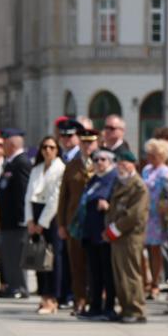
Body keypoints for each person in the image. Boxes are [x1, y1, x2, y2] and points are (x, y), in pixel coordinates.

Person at [102, 150, 150, 323]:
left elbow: (134, 215)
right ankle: (125, 308)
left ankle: (136, 309)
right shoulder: (120, 183)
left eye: (124, 163)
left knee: (130, 274)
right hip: (118, 236)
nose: (120, 166)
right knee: (120, 275)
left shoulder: (138, 186)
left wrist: (113, 230)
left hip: (130, 236)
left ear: (133, 165)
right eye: (119, 163)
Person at [56, 120, 97, 313]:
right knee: (77, 262)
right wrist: (61, 224)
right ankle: (79, 298)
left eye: (91, 142)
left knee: (95, 264)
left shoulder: (102, 162)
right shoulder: (72, 165)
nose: (87, 146)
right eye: (84, 142)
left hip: (96, 222)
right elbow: (63, 196)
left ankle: (96, 299)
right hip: (75, 223)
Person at [76, 149, 120, 321]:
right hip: (91, 232)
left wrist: (108, 206)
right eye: (96, 160)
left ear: (111, 162)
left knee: (107, 272)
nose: (99, 162)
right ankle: (94, 306)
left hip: (105, 233)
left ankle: (109, 307)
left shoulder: (114, 178)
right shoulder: (94, 179)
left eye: (103, 159)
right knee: (94, 272)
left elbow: (119, 203)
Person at [26, 134, 67, 314]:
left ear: (57, 150)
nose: (48, 150)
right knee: (38, 258)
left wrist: (42, 223)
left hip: (51, 216)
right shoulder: (36, 169)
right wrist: (29, 220)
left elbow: (55, 198)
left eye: (51, 147)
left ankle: (53, 297)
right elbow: (28, 195)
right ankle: (43, 296)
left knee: (53, 258)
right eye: (44, 147)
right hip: (36, 213)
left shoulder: (61, 168)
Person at [0, 129, 33, 298]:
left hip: (16, 221)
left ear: (12, 144)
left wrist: (22, 218)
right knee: (9, 256)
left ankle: (20, 287)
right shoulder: (11, 163)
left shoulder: (21, 163)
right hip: (7, 220)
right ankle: (12, 285)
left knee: (16, 255)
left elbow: (22, 193)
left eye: (4, 142)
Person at [141, 138, 168, 302]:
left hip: (158, 216)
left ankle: (155, 282)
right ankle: (146, 281)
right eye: (149, 154)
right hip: (145, 214)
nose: (149, 157)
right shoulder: (146, 170)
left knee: (156, 249)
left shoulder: (166, 171)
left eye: (153, 154)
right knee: (143, 250)